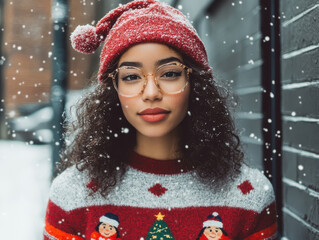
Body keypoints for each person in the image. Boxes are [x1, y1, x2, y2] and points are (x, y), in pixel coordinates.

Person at [43, 0, 278, 239]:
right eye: (132, 76)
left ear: (195, 83)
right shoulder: (71, 195)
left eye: (169, 73)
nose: (151, 92)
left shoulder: (250, 195)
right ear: (113, 90)